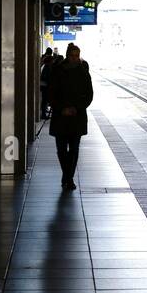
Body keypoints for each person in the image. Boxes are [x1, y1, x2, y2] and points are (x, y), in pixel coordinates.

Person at [47, 43, 93, 190]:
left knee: (73, 150)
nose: (75, 59)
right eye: (72, 56)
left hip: (76, 117)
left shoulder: (83, 71)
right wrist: (61, 109)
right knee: (61, 149)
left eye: (77, 56)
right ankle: (67, 176)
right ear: (67, 56)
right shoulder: (57, 70)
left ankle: (68, 178)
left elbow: (89, 94)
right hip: (60, 117)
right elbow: (50, 93)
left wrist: (76, 108)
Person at [39, 49, 55, 120]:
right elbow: (46, 77)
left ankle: (44, 113)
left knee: (45, 100)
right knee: (45, 100)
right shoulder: (47, 67)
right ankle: (43, 114)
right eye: (52, 61)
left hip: (44, 86)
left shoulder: (45, 66)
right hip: (46, 86)